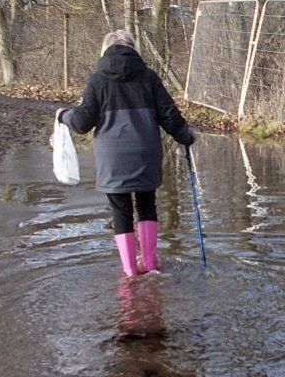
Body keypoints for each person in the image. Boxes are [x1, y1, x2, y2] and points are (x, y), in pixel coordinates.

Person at [56, 29, 195, 277]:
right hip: (145, 151)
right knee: (147, 205)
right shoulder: (148, 77)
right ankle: (150, 264)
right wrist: (184, 135)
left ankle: (130, 271)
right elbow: (168, 114)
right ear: (133, 48)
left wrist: (63, 115)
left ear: (105, 49)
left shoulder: (98, 80)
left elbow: (82, 123)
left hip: (112, 157)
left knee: (120, 211)